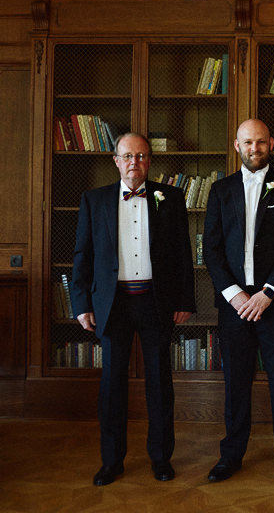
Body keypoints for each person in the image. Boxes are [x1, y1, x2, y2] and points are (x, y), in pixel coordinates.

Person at [71, 132, 195, 486]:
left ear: (149, 161)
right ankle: (112, 462)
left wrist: (185, 300)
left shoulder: (170, 197)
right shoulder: (94, 200)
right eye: (127, 156)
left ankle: (161, 458)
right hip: (113, 305)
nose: (134, 163)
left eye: (141, 156)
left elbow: (183, 253)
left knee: (159, 383)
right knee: (112, 386)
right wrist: (81, 304)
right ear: (116, 160)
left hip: (156, 302)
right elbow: (83, 255)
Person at [203, 119, 274, 483]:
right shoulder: (220, 190)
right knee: (236, 382)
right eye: (248, 142)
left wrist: (268, 293)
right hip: (234, 304)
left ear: (271, 143)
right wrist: (235, 296)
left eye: (261, 142)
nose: (254, 148)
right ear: (237, 146)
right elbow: (211, 249)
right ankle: (231, 455)